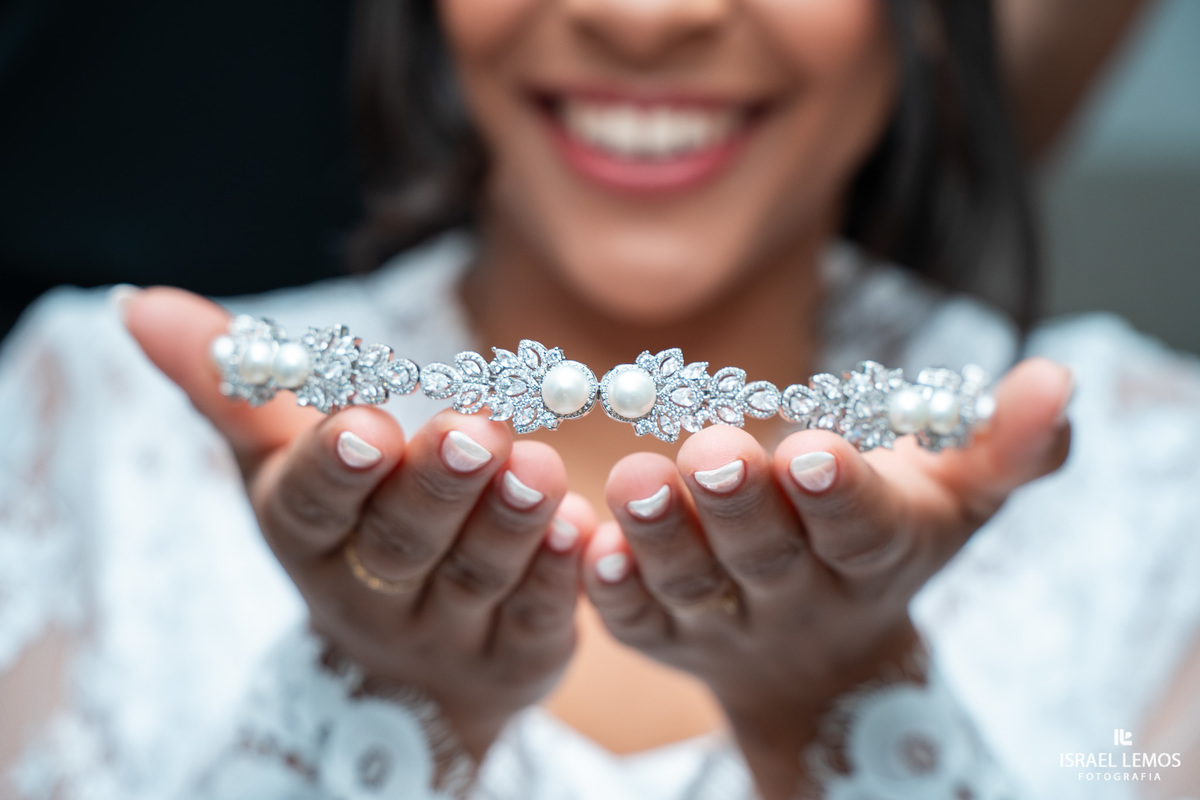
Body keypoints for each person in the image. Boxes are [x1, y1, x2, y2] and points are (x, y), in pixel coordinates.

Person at [2, 1, 1197, 799]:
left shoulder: (1162, 485)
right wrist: (380, 705)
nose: (643, 19)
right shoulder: (103, 426)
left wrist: (836, 714)